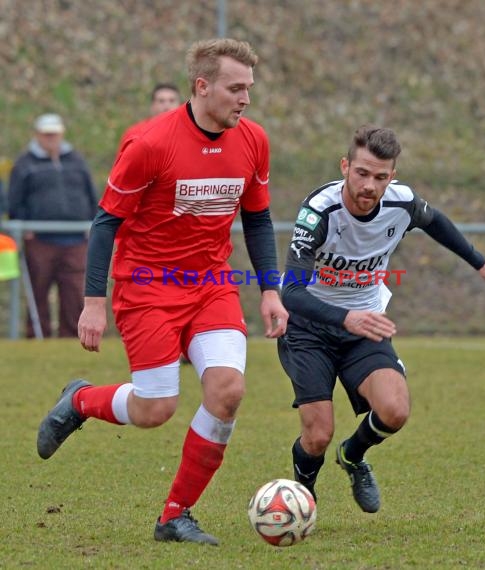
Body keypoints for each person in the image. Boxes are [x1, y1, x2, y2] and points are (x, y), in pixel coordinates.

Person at [36, 38, 288, 546]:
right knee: (156, 409)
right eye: (235, 88)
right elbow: (106, 222)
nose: (245, 98)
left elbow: (257, 218)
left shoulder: (254, 140)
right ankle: (81, 400)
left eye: (249, 89)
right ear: (202, 86)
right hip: (146, 287)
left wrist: (270, 291)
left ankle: (175, 515)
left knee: (228, 391)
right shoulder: (150, 144)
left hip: (212, 284)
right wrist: (92, 302)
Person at [277, 125, 485, 512]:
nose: (369, 185)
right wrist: (345, 317)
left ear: (392, 176)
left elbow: (435, 221)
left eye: (381, 176)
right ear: (345, 166)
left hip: (365, 326)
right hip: (309, 328)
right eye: (361, 173)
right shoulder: (319, 212)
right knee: (318, 434)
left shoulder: (402, 203)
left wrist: (482, 263)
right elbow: (290, 293)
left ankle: (354, 455)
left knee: (395, 410)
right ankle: (303, 494)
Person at [8, 113, 98, 337]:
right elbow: (15, 199)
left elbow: (89, 193)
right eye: (46, 134)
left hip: (76, 238)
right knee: (38, 291)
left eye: (54, 134)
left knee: (74, 292)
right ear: (38, 135)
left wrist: (92, 220)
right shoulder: (25, 163)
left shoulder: (76, 161)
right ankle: (37, 335)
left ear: (61, 134)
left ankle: (74, 337)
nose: (51, 139)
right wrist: (25, 225)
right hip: (40, 239)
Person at [117, 83, 181, 150]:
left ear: (180, 105)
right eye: (161, 101)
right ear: (152, 106)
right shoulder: (135, 134)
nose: (167, 106)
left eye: (172, 101)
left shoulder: (188, 132)